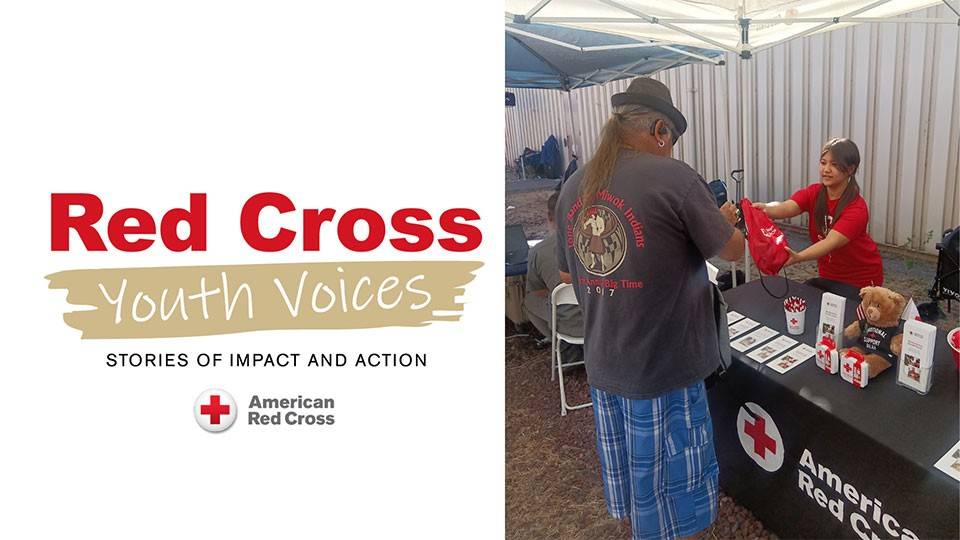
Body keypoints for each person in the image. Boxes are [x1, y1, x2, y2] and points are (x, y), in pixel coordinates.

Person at [555, 77, 744, 540]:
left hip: (605, 365)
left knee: (641, 488)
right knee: (674, 496)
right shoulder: (675, 178)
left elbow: (566, 276)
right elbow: (733, 252)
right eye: (671, 139)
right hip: (666, 367)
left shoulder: (572, 187)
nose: (670, 148)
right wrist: (721, 221)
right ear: (660, 129)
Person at [752, 138, 884, 290]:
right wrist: (764, 209)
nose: (826, 169)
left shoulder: (856, 208)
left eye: (834, 164)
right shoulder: (814, 193)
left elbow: (829, 243)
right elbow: (785, 207)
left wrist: (798, 257)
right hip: (828, 274)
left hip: (861, 279)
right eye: (823, 162)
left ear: (851, 169)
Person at [523, 191, 584, 361]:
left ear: (549, 218)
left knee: (529, 300)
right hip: (603, 321)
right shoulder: (595, 242)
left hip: (569, 326)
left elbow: (537, 291)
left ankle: (560, 344)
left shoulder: (538, 252)